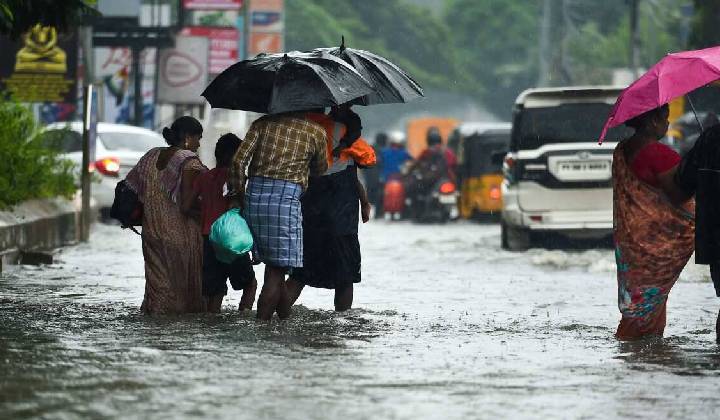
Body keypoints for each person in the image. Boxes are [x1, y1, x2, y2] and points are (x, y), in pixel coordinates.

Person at [229, 112, 328, 321]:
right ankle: (262, 329)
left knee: (275, 267)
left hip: (254, 199)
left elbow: (238, 162)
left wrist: (238, 194)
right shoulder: (316, 132)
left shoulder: (262, 124)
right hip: (285, 202)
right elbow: (320, 170)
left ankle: (284, 322)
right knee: (276, 272)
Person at [612, 104, 695, 340]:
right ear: (651, 122)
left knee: (641, 299)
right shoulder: (657, 153)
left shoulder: (623, 149)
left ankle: (637, 352)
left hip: (634, 241)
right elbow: (678, 194)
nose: (668, 124)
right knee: (650, 301)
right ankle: (644, 351)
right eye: (664, 118)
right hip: (657, 243)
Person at [285, 106, 375, 311]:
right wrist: (364, 202)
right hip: (342, 218)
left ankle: (275, 320)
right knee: (345, 276)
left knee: (299, 274)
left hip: (310, 216)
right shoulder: (344, 131)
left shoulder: (299, 132)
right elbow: (355, 173)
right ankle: (341, 324)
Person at [125, 116, 208, 314]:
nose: (198, 143)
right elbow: (187, 206)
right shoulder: (188, 161)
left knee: (158, 287)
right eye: (198, 138)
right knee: (182, 294)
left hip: (152, 231)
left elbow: (133, 187)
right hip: (180, 236)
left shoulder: (150, 156)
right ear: (187, 137)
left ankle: (154, 325)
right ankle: (174, 333)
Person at [191, 133, 257, 313]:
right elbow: (243, 208)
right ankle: (243, 319)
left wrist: (206, 212)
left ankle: (211, 324)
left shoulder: (204, 177)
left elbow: (188, 204)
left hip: (207, 239)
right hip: (231, 239)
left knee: (215, 290)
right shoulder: (237, 178)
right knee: (250, 284)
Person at [363, 132, 387, 218]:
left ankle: (376, 212)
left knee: (372, 194)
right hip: (377, 176)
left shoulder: (370, 148)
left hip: (369, 175)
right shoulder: (383, 150)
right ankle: (379, 212)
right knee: (379, 194)